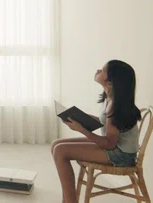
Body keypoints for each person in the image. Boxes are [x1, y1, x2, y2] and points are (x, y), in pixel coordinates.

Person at [51, 60, 142, 203]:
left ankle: (70, 201)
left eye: (103, 71)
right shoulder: (110, 97)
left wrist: (81, 129)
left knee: (60, 151)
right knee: (56, 144)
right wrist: (80, 118)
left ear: (111, 82)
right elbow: (106, 123)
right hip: (114, 147)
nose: (98, 70)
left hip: (121, 155)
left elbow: (109, 144)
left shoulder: (115, 105)